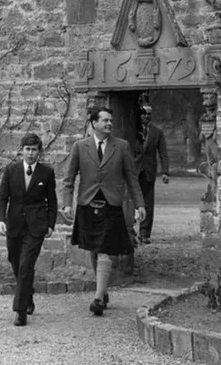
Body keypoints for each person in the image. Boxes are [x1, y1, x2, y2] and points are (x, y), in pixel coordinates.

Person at [62, 106, 145, 316]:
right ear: (93, 123)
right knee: (93, 248)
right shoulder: (80, 147)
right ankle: (103, 288)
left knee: (106, 248)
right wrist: (67, 204)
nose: (109, 124)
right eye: (105, 120)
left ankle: (98, 298)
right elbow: (69, 178)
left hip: (111, 203)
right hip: (87, 203)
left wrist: (140, 204)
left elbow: (132, 178)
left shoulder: (122, 146)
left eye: (111, 120)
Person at [0, 133, 58, 326]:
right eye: (28, 149)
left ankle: (20, 311)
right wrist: (0, 220)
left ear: (39, 152)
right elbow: (2, 197)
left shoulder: (46, 172)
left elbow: (52, 201)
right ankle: (27, 294)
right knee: (15, 261)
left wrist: (50, 224)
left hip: (36, 226)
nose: (31, 154)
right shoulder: (11, 170)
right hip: (14, 224)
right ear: (22, 151)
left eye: (34, 150)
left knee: (25, 265)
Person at [133, 104, 169, 244]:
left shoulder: (157, 132)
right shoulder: (133, 129)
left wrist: (165, 171)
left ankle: (144, 233)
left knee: (148, 202)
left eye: (149, 114)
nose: (146, 116)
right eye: (143, 113)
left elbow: (163, 152)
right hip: (134, 170)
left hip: (149, 171)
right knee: (131, 200)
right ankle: (130, 231)